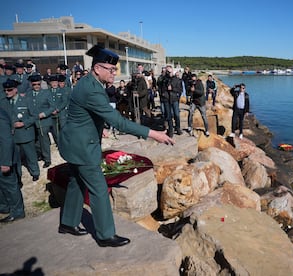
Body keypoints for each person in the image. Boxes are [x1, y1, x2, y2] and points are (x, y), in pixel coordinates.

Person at [58, 45, 174, 247]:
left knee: (77, 182)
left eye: (115, 70)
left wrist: (99, 126)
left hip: (74, 141)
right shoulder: (92, 89)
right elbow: (119, 122)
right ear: (97, 69)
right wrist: (153, 134)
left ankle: (68, 222)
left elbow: (87, 113)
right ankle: (105, 235)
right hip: (83, 146)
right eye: (110, 70)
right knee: (99, 189)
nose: (114, 73)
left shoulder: (89, 83)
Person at [1, 79, 39, 182]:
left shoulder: (26, 100)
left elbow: (34, 116)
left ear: (15, 90)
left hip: (25, 133)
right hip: (12, 136)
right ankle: (18, 177)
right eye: (5, 90)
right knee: (15, 159)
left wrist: (23, 123)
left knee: (30, 155)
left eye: (9, 90)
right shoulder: (3, 103)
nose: (7, 92)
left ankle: (35, 172)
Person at [0, 105, 25, 223]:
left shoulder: (0, 116)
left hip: (4, 158)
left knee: (10, 185)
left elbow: (6, 140)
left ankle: (18, 212)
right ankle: (5, 207)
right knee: (2, 185)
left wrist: (5, 162)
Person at [26, 74, 54, 168]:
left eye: (38, 84)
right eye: (34, 84)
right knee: (35, 140)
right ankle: (39, 153)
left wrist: (44, 114)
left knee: (43, 140)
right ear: (31, 84)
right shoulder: (28, 93)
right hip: (32, 120)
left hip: (43, 121)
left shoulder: (46, 93)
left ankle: (47, 159)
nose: (37, 86)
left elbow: (52, 107)